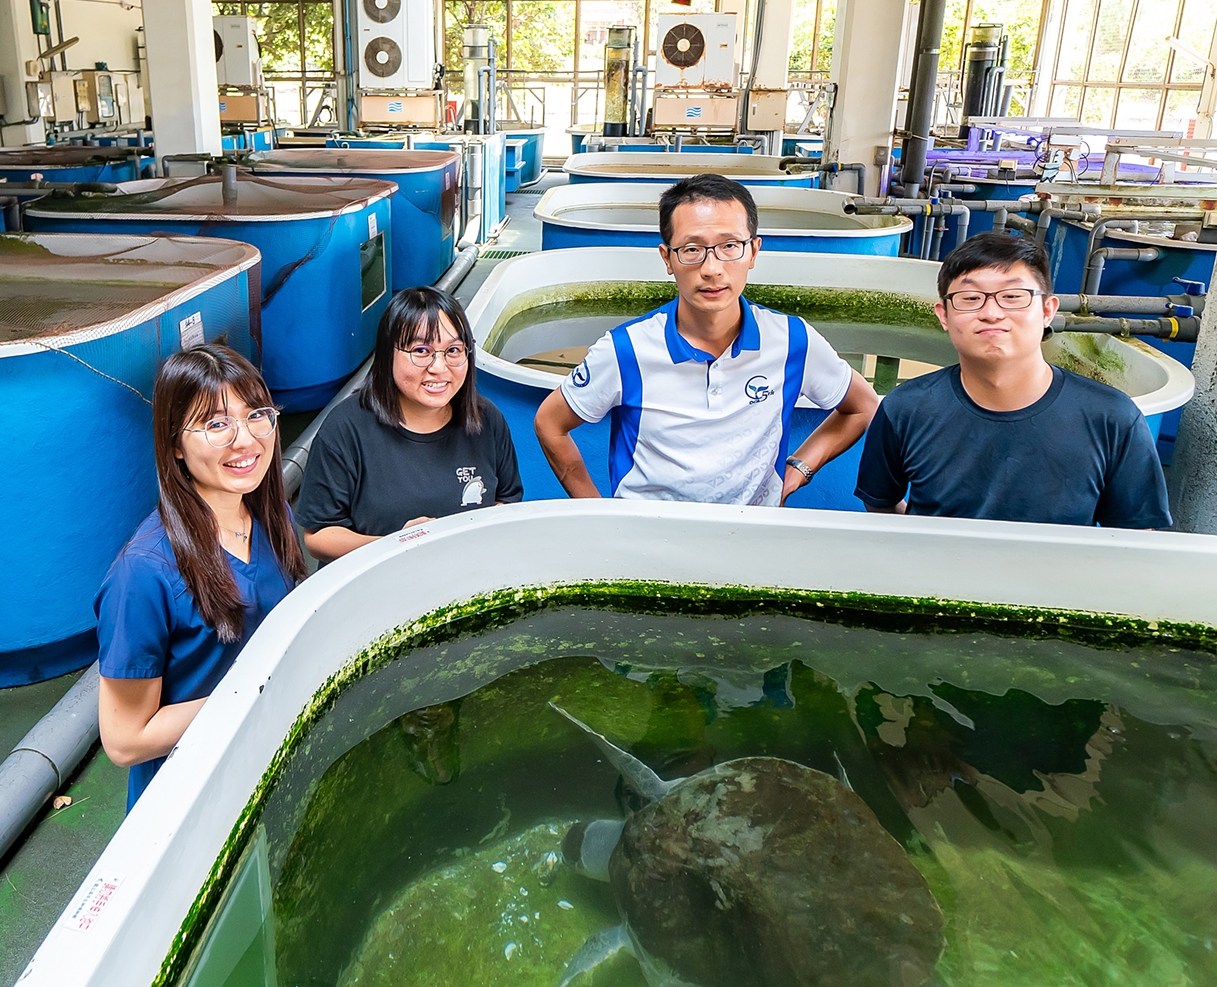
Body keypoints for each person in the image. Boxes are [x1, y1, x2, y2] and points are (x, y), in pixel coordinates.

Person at [534, 172, 879, 505]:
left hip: (752, 533)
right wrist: (600, 513)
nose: (712, 268)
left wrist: (798, 471)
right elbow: (550, 422)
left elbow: (862, 407)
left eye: (730, 246)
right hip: (646, 537)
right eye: (691, 249)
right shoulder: (627, 350)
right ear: (667, 258)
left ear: (754, 251)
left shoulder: (791, 341)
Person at [96, 343, 307, 811]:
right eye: (216, 424)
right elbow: (125, 741)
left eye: (257, 416)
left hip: (266, 766)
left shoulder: (272, 515)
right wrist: (258, 691)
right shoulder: (143, 573)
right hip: (192, 801)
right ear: (175, 443)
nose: (246, 440)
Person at [855, 231, 1171, 529]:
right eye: (970, 298)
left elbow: (1134, 535)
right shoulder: (906, 408)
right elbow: (882, 505)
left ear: (1047, 311)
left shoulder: (1112, 418)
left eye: (1012, 296)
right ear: (943, 315)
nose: (991, 313)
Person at [296, 285, 524, 562]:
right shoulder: (345, 429)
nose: (439, 367)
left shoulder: (487, 419)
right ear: (387, 353)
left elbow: (506, 500)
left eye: (453, 350)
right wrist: (398, 545)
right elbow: (318, 536)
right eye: (421, 350)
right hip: (377, 578)